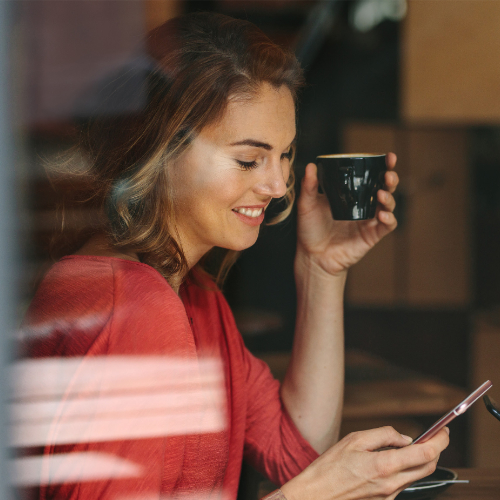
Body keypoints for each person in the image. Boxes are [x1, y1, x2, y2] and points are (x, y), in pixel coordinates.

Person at [20, 11, 449, 500]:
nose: (276, 185)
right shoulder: (134, 307)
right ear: (161, 150)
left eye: (284, 155)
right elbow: (304, 481)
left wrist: (321, 268)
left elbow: (296, 452)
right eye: (248, 159)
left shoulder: (195, 299)